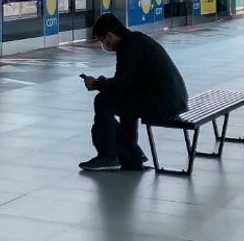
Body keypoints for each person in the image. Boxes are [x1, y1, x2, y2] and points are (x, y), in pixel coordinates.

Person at [79, 13, 188, 172]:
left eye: (102, 40)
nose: (103, 44)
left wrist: (96, 84)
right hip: (172, 100)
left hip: (164, 103)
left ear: (109, 36)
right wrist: (101, 83)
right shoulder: (135, 40)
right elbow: (126, 84)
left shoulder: (128, 47)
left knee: (103, 101)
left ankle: (109, 155)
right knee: (124, 101)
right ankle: (132, 157)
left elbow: (120, 85)